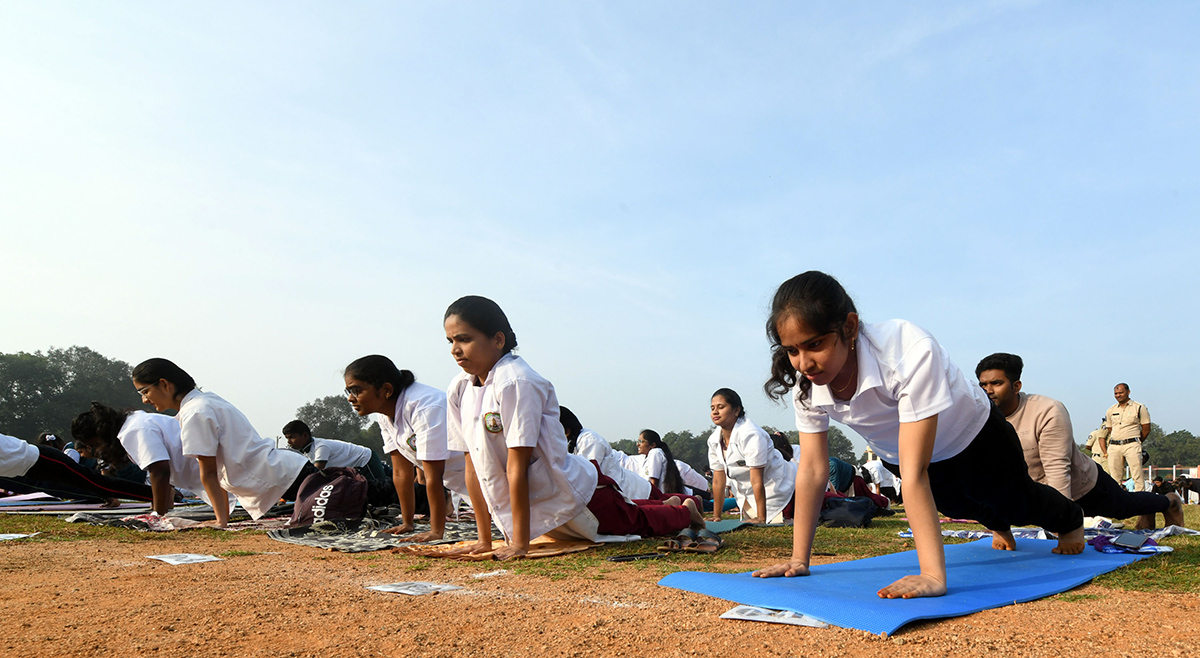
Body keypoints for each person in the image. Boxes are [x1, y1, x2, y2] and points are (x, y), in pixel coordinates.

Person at [753, 271, 1085, 600]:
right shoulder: (807, 387)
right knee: (959, 504)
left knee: (1015, 502)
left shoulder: (907, 351)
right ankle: (997, 523)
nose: (804, 363)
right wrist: (800, 559)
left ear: (849, 327)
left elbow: (915, 473)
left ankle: (1070, 519)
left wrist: (932, 576)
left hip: (976, 438)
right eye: (792, 351)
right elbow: (812, 469)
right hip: (899, 452)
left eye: (815, 345)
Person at [443, 295, 705, 559]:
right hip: (543, 501)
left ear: (498, 340)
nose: (455, 349)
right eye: (451, 341)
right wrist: (484, 540)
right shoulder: (459, 389)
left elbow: (517, 465)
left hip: (580, 493)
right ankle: (670, 502)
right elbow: (471, 465)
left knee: (639, 522)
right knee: (631, 513)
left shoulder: (516, 382)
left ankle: (686, 508)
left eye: (464, 339)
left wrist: (520, 545)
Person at [976, 353, 1184, 529]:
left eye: (996, 383)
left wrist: (1062, 524)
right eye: (983, 384)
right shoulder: (981, 417)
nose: (988, 390)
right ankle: (1148, 509)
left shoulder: (1046, 411)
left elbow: (1057, 469)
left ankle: (1169, 501)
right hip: (1036, 491)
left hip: (1082, 486)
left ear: (1016, 386)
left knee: (1124, 507)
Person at [132, 358, 312, 527]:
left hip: (287, 477)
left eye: (145, 391)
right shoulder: (205, 401)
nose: (145, 400)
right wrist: (222, 518)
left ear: (164, 384)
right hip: (286, 473)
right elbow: (216, 473)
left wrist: (221, 521)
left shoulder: (195, 412)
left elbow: (209, 473)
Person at [343, 355, 468, 542]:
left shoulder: (425, 407)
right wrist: (408, 522)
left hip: (487, 477)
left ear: (386, 389)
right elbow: (401, 472)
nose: (351, 399)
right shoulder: (385, 414)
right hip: (463, 483)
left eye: (356, 390)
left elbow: (434, 475)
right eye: (348, 391)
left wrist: (436, 531)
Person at [70, 402, 225, 515]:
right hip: (213, 479)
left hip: (221, 478)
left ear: (102, 434)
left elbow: (160, 471)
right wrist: (164, 509)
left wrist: (158, 514)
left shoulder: (134, 430)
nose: (97, 451)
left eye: (95, 445)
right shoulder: (135, 422)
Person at [708, 388, 798, 524]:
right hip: (749, 493)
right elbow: (718, 481)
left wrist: (761, 518)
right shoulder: (714, 440)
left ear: (736, 410)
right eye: (712, 408)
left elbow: (757, 479)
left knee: (776, 521)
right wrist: (717, 516)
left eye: (721, 407)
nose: (715, 412)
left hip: (779, 485)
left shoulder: (751, 434)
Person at [0, 431, 153, 504]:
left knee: (97, 483)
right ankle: (103, 495)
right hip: (18, 472)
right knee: (86, 487)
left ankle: (159, 494)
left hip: (42, 460)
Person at [559, 407, 651, 500]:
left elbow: (585, 478)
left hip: (638, 493)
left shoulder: (589, 440)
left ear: (566, 431)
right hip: (625, 495)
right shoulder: (577, 444)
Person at [282, 420, 387, 483]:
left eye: (292, 437)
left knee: (381, 489)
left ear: (304, 435)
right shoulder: (307, 451)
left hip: (365, 459)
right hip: (357, 466)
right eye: (287, 438)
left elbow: (315, 474)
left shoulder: (321, 447)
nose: (289, 442)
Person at [1106, 383, 1151, 491]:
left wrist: (1137, 441)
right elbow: (1110, 428)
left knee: (1137, 475)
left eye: (1121, 392)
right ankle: (1117, 503)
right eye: (1116, 393)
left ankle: (1140, 501)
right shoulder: (1111, 410)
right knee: (1114, 478)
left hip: (1132, 444)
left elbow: (1146, 428)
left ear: (1128, 392)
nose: (1118, 395)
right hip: (1114, 446)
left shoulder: (1139, 407)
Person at [636, 430, 687, 495]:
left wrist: (653, 500)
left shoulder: (655, 452)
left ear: (653, 445)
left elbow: (654, 481)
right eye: (638, 441)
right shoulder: (645, 458)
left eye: (641, 441)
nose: (638, 444)